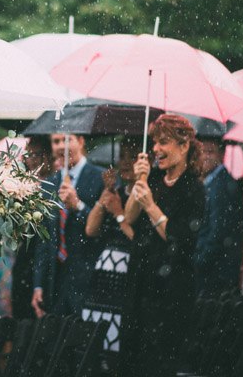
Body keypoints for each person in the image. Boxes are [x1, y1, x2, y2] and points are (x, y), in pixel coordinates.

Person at [118, 114, 206, 377]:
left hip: (170, 290)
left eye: (164, 142)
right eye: (155, 143)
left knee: (156, 363)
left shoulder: (193, 189)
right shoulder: (154, 178)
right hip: (140, 280)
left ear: (184, 145)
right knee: (130, 359)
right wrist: (140, 181)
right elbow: (129, 217)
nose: (156, 149)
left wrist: (152, 206)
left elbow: (180, 239)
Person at [32, 132, 104, 317]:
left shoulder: (99, 178)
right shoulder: (48, 184)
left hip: (87, 276)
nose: (61, 146)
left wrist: (78, 206)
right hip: (55, 279)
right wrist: (38, 284)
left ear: (80, 141)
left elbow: (103, 229)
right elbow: (43, 240)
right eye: (56, 141)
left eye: (67, 140)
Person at [84, 136, 138, 353]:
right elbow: (90, 230)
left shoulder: (145, 196)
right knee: (96, 345)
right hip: (103, 281)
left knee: (118, 345)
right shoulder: (117, 192)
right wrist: (107, 193)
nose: (125, 162)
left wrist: (119, 215)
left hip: (127, 280)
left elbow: (138, 239)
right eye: (122, 156)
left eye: (132, 157)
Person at [194, 136, 243, 296]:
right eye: (202, 151)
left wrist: (199, 262)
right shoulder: (211, 182)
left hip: (214, 271)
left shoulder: (221, 185)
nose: (205, 156)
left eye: (211, 152)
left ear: (222, 154)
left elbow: (217, 232)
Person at [11, 136, 54, 320]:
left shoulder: (54, 184)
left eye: (36, 154)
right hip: (25, 253)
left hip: (44, 252)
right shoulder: (19, 184)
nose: (31, 159)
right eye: (28, 154)